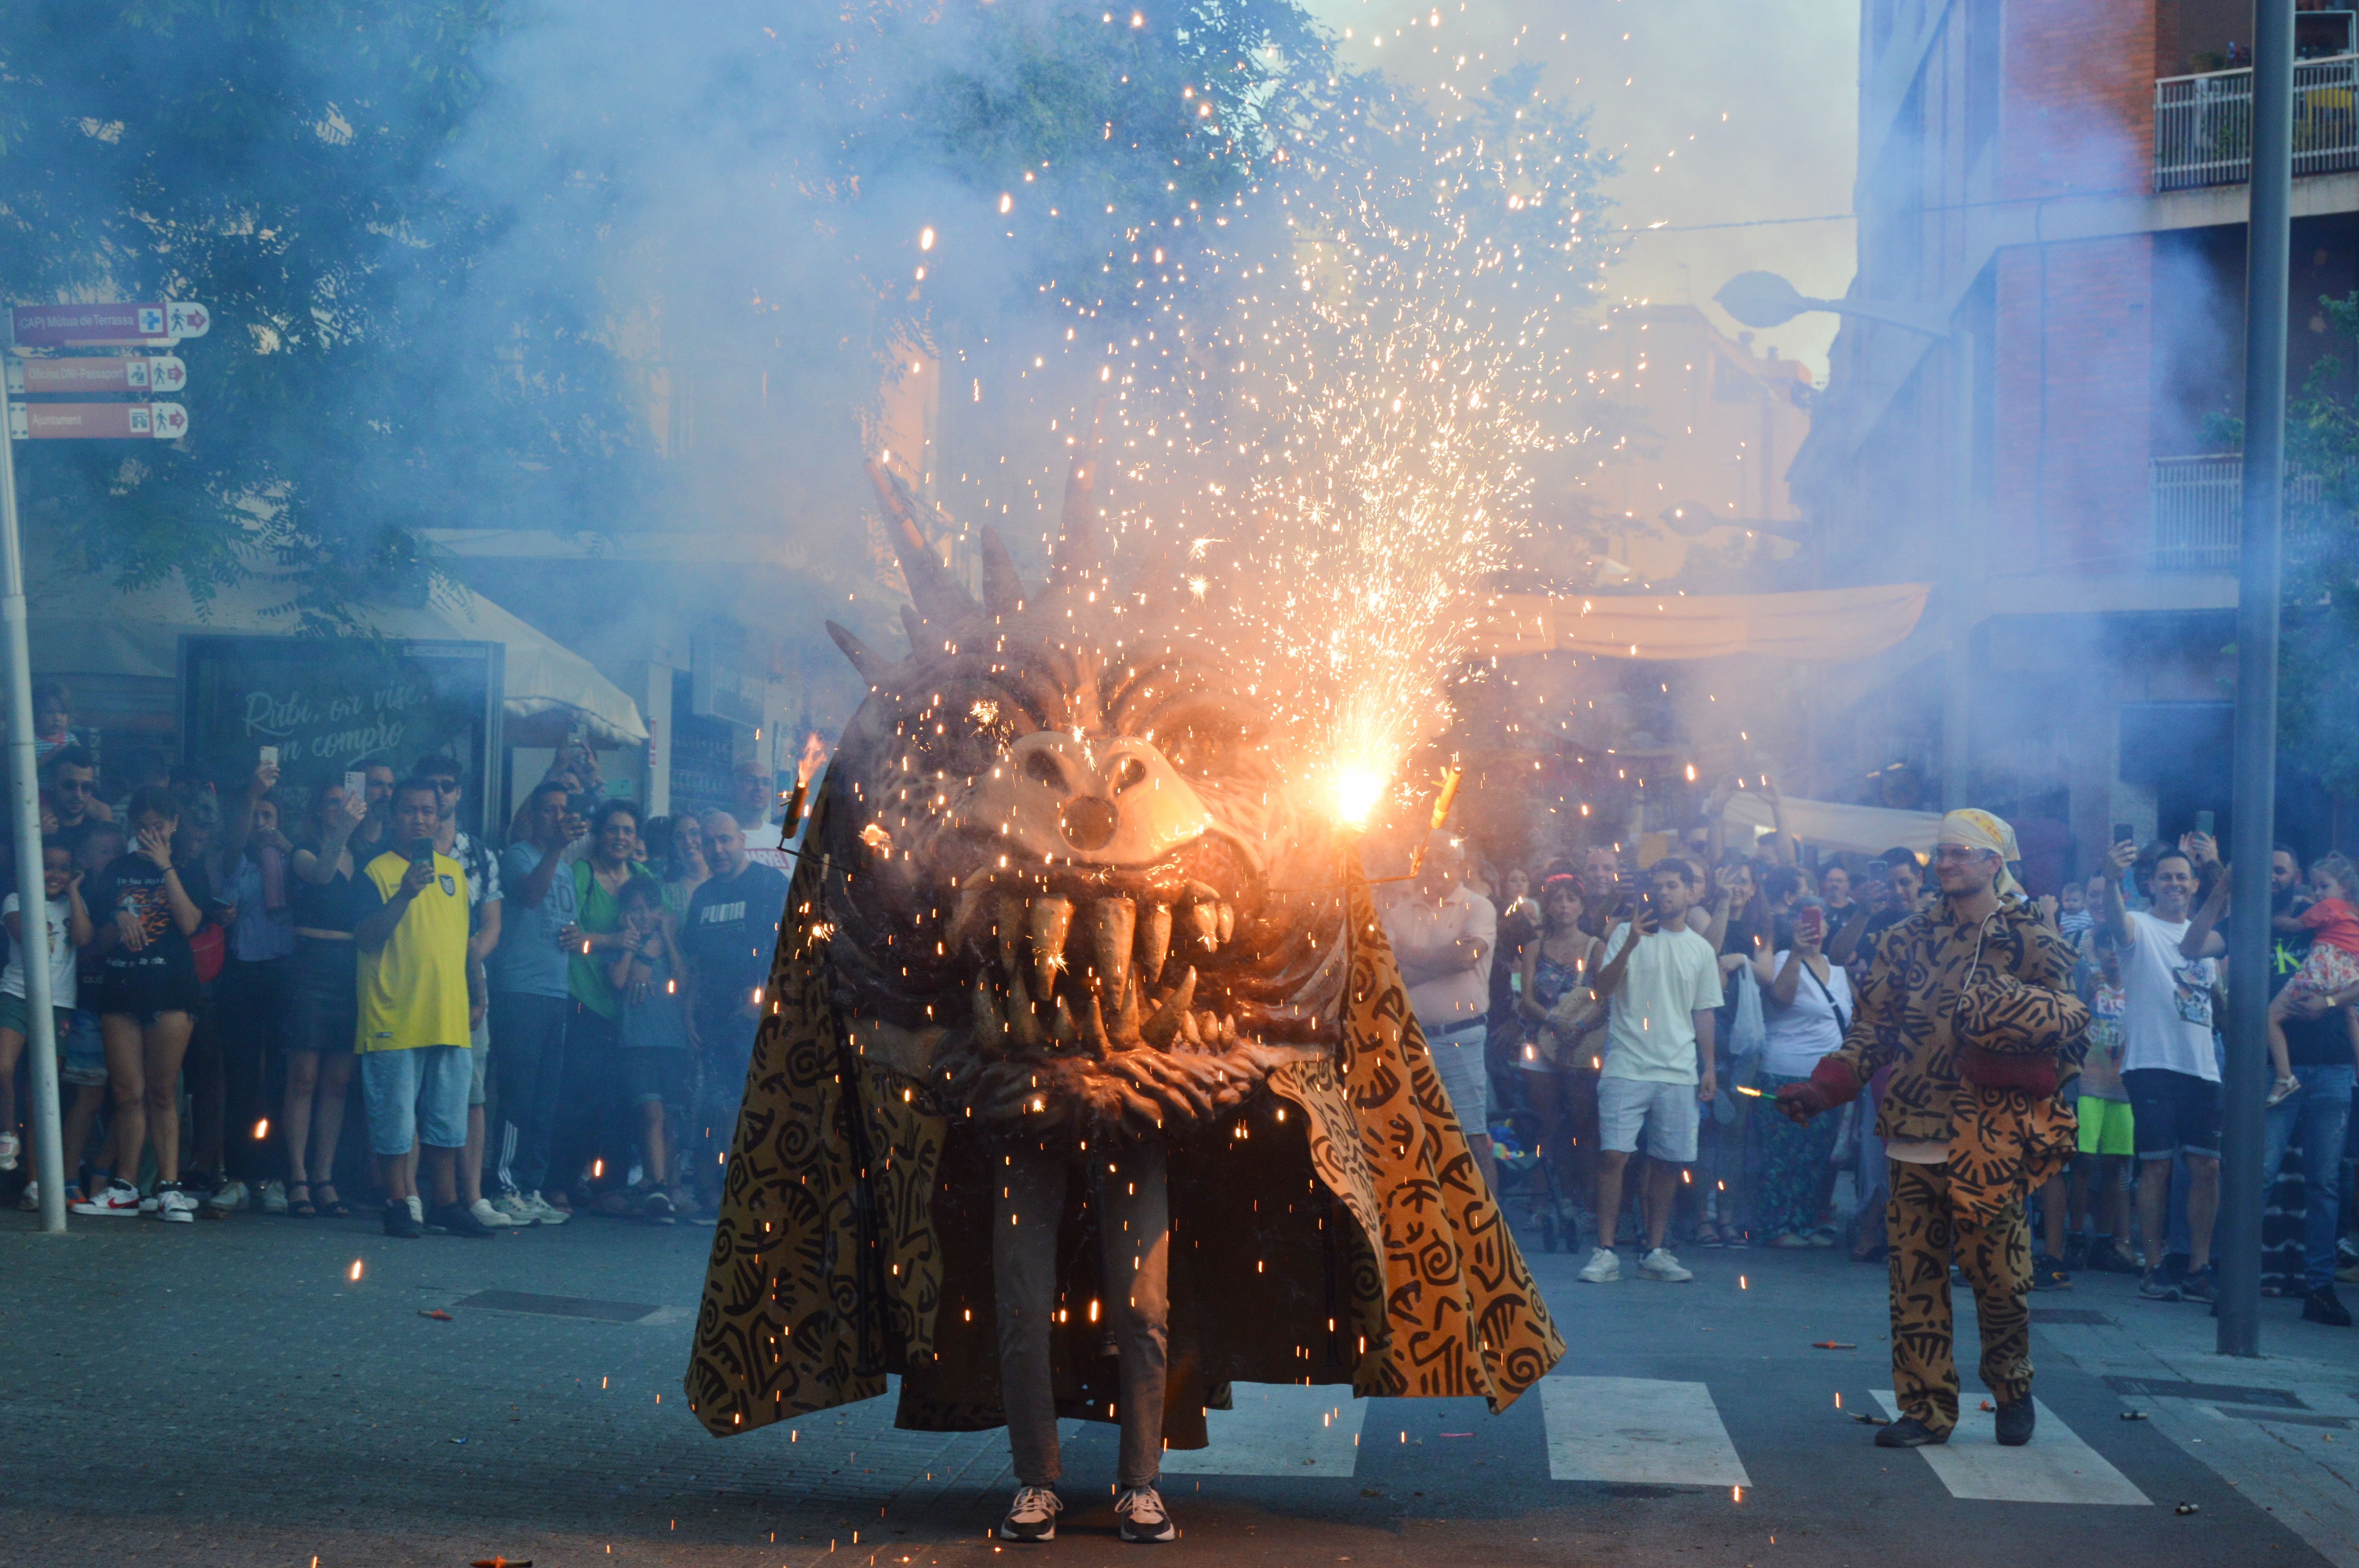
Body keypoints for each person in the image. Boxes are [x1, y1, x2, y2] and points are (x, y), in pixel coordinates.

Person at [1777, 809, 2081, 1451]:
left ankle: (2011, 1383)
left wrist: (2006, 1022)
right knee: (1913, 1280)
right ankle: (1925, 1408)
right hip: (1912, 1132)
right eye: (1940, 853)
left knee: (2000, 1280)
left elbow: (2068, 1027)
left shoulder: (2030, 936)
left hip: (1989, 1139)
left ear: (1994, 863)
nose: (1944, 864)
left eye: (1960, 853)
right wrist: (1825, 1087)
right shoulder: (1904, 938)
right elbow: (1870, 1032)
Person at [2183, 840, 2356, 1325]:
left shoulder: (2324, 914)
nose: (2274, 878)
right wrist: (2220, 893)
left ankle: (2319, 1290)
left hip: (2330, 1065)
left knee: (2324, 1184)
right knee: (2255, 1175)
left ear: (2297, 876)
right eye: (2266, 871)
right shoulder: (2248, 922)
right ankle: (2235, 1280)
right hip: (2268, 1066)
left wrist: (2328, 1004)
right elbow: (2191, 947)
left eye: (2281, 870)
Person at [353, 778, 489, 1238]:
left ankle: (446, 1203)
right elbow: (367, 937)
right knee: (394, 1115)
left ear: (440, 816)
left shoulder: (453, 870)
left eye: (428, 811)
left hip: (449, 1013)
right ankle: (397, 1201)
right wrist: (405, 893)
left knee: (449, 1117)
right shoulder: (375, 871)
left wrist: (477, 990)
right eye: (409, 811)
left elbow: (468, 939)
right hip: (394, 1013)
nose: (420, 819)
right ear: (393, 818)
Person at [1578, 857, 1722, 1285]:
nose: (1665, 893)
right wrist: (1629, 944)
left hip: (1678, 1070)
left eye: (1674, 885)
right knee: (1613, 1156)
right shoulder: (1625, 932)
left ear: (1689, 893)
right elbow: (1600, 991)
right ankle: (1604, 1250)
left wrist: (1709, 1065)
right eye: (1658, 886)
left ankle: (1654, 1250)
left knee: (1666, 1162)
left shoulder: (1700, 949)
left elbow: (1704, 1013)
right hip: (1626, 1063)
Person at [76, 787, 214, 1221]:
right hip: (120, 989)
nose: (151, 833)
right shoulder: (116, 870)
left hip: (171, 990)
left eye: (159, 825)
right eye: (143, 827)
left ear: (174, 824)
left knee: (161, 1090)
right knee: (126, 1092)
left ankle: (170, 1186)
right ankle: (125, 1186)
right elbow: (95, 943)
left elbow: (191, 922)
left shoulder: (190, 869)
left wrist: (165, 866)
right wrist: (118, 921)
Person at [2100, 837, 2223, 1304]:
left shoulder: (2205, 935)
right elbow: (2115, 919)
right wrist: (2112, 878)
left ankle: (2198, 1267)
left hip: (2201, 1066)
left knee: (2207, 1167)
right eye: (2165, 877)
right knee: (2156, 1167)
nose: (2173, 884)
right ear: (2150, 884)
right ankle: (2153, 1266)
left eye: (2181, 877)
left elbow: (2214, 1002)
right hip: (2151, 1062)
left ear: (2194, 885)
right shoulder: (2140, 927)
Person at [411, 753, 509, 1230]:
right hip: (412, 981)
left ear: (458, 793)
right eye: (431, 785)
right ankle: (411, 1195)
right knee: (412, 1089)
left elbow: (492, 926)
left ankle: (470, 1197)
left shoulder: (481, 854)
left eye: (447, 785)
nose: (440, 793)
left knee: (470, 1092)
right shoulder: (404, 847)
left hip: (467, 980)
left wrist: (469, 968)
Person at [681, 810, 791, 1198]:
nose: (717, 849)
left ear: (741, 840)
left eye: (724, 839)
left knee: (755, 1105)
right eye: (709, 842)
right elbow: (695, 961)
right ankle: (718, 1192)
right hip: (712, 1020)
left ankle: (752, 1192)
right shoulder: (703, 896)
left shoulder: (769, 884)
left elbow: (791, 946)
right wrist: (688, 1009)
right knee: (716, 1103)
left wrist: (763, 998)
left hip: (756, 1021)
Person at [1381, 836, 1499, 1192]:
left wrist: (1407, 954)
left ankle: (1490, 1229)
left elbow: (1466, 958)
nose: (1435, 866)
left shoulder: (1479, 908)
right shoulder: (1398, 913)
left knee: (1471, 1134)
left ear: (1462, 866)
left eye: (1446, 858)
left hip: (1460, 1038)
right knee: (1413, 1137)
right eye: (1429, 858)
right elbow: (1387, 971)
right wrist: (1443, 961)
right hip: (1412, 1040)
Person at [555, 798, 655, 1211]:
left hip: (630, 1009)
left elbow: (660, 920)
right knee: (578, 1098)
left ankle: (609, 1184)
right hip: (585, 999)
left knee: (619, 1098)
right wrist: (616, 942)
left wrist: (644, 960)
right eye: (613, 829)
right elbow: (569, 936)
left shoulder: (644, 875)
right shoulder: (582, 874)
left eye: (628, 831)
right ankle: (560, 1182)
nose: (620, 837)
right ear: (599, 834)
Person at [488, 782, 579, 1225]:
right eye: (549, 811)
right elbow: (528, 895)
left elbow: (563, 918)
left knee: (547, 1096)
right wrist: (555, 850)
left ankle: (531, 1184)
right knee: (518, 1093)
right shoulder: (521, 855)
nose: (558, 818)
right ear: (534, 815)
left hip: (556, 990)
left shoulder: (564, 865)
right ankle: (504, 1184)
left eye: (564, 810)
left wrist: (579, 937)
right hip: (521, 989)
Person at [281, 779, 368, 1218]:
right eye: (333, 803)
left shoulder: (364, 855)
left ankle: (324, 1175)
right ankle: (296, 1176)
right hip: (312, 964)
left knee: (337, 1081)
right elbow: (321, 875)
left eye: (347, 803)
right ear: (318, 809)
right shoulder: (303, 850)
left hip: (351, 967)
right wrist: (341, 834)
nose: (341, 809)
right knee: (304, 1077)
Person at [209, 772, 296, 1213]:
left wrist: (286, 851)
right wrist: (251, 793)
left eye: (269, 815)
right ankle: (240, 1174)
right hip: (243, 973)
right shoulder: (234, 861)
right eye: (256, 815)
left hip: (285, 974)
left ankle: (279, 1176)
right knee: (241, 1078)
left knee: (282, 1079)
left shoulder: (295, 860)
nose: (261, 822)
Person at [1750, 896, 1851, 1247]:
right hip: (1787, 1073)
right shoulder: (1782, 960)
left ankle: (1806, 1222)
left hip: (1828, 1080)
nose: (1815, 927)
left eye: (1820, 920)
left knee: (1815, 1156)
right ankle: (1778, 1225)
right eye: (1807, 920)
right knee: (1784, 1155)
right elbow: (1781, 998)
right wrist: (1795, 951)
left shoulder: (1838, 969)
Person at [1518, 871, 1605, 1238]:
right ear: (1548, 907)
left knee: (1585, 1127)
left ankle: (1585, 1203)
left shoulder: (1595, 947)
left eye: (1572, 899)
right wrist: (1553, 1021)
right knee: (1545, 1124)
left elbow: (1605, 997)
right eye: (1558, 900)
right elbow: (1526, 999)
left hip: (1584, 1044)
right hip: (1541, 1041)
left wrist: (1578, 1028)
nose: (1565, 906)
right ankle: (1542, 1201)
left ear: (1582, 906)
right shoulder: (1535, 948)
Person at [0, 841, 93, 1184]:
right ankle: (8, 1134)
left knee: (42, 1092)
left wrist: (73, 894)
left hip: (60, 1003)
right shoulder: (15, 899)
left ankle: (36, 1183)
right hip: (17, 994)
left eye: (62, 869)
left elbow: (84, 939)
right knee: (3, 1065)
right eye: (47, 867)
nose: (55, 874)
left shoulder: (74, 903)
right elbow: (27, 936)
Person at [607, 877, 693, 1220]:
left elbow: (683, 981)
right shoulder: (623, 945)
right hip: (637, 1043)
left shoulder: (669, 941)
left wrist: (668, 940)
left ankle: (668, 1187)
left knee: (670, 1118)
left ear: (661, 912)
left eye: (650, 910)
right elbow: (617, 980)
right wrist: (634, 947)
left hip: (672, 1042)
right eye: (636, 910)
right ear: (624, 914)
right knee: (651, 1114)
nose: (644, 916)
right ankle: (657, 1185)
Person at [2065, 926, 2139, 1276]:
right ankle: (2077, 1235)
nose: (2112, 953)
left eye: (2116, 946)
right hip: (2088, 1081)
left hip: (2124, 1087)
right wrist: (2082, 996)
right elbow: (2071, 1024)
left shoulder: (2138, 984)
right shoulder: (2091, 979)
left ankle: (2106, 1240)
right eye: (2104, 945)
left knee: (2115, 1164)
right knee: (2082, 1161)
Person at [2266, 853, 2359, 1107]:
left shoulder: (2326, 908)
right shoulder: (2353, 912)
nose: (2318, 893)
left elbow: (2295, 926)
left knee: (2271, 1016)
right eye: (2315, 887)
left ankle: (2285, 1077)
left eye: (2324, 886)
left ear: (2346, 886)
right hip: (2350, 971)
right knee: (2349, 1013)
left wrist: (2264, 916)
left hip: (2324, 965)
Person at [43, 746, 111, 834]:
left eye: (86, 787)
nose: (78, 795)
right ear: (52, 784)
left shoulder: (100, 819)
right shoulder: (36, 822)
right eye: (70, 786)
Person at [31, 681, 81, 766]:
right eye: (50, 712)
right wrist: (52, 754)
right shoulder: (31, 742)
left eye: (62, 712)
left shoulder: (70, 739)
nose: (57, 718)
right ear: (36, 714)